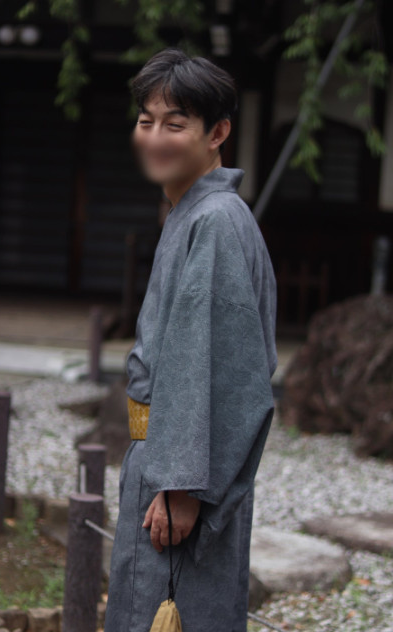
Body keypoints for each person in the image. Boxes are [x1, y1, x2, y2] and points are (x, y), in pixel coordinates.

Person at [104, 48, 277, 632]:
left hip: (180, 480)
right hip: (163, 462)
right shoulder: (194, 213)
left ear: (217, 133)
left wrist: (183, 486)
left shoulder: (215, 221)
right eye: (146, 121)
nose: (155, 138)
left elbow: (217, 365)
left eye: (174, 124)